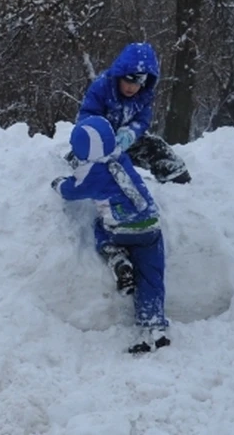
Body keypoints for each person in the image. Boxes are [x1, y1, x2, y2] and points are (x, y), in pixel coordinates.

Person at [52, 115, 170, 354]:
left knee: (100, 226)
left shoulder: (91, 175)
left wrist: (58, 183)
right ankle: (154, 325)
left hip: (120, 230)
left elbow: (70, 191)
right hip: (149, 227)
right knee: (152, 277)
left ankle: (117, 258)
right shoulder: (121, 157)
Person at [74, 42, 191, 184]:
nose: (132, 87)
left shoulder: (143, 95)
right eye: (128, 80)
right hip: (99, 144)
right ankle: (83, 170)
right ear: (120, 75)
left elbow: (143, 119)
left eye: (138, 81)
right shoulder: (102, 87)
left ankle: (174, 175)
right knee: (85, 159)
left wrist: (131, 133)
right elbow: (87, 116)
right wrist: (102, 137)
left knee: (156, 146)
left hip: (126, 143)